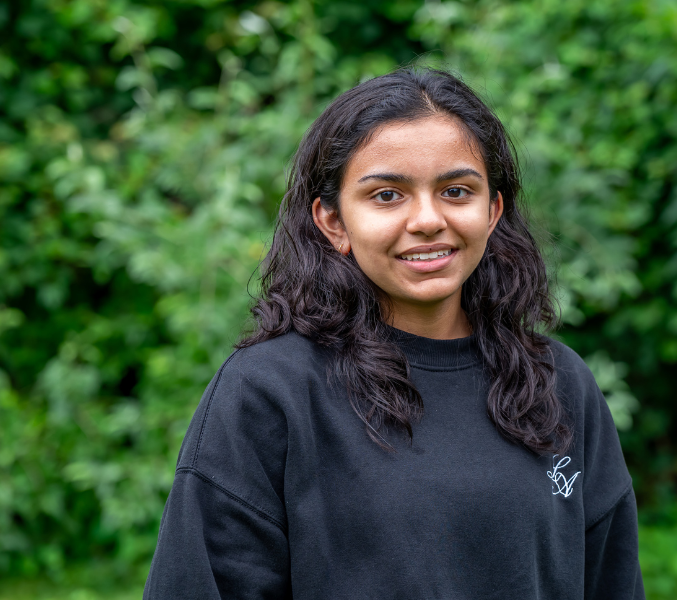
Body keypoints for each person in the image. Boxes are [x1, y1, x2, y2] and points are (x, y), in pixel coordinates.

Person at [143, 65, 646, 599]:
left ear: (493, 210)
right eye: (387, 195)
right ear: (333, 221)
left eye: (456, 190)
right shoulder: (269, 393)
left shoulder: (559, 384)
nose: (428, 219)